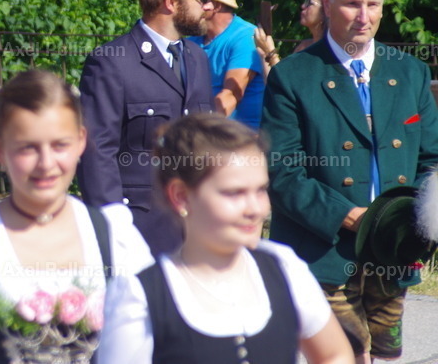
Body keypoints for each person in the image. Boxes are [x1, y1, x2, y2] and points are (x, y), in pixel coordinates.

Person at [261, 0, 438, 362]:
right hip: (323, 249)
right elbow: (281, 171)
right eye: (352, 3)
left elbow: (431, 158)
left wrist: (411, 217)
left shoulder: (409, 72)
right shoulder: (294, 75)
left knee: (388, 355)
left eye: (373, 4)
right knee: (345, 356)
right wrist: (349, 216)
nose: (364, 16)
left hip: (393, 248)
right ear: (327, 3)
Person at [0, 69, 153, 364]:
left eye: (60, 145)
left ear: (81, 141)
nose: (46, 163)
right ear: (0, 149)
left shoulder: (115, 236)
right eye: (28, 148)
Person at [99, 114, 353, 364]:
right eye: (234, 193)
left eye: (260, 190)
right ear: (181, 196)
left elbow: (335, 354)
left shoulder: (283, 267)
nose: (255, 209)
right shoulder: (140, 297)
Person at [77, 0, 219, 256]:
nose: (209, 6)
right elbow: (96, 152)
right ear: (171, 2)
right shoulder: (112, 62)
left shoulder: (196, 58)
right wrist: (113, 230)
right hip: (138, 228)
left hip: (194, 227)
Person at [189, 0, 265, 129]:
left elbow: (231, 95)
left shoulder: (246, 37)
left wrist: (192, 132)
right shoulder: (192, 40)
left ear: (215, 5)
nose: (189, 2)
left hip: (239, 139)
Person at [256, 0, 326, 76]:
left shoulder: (328, 51)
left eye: (309, 3)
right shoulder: (304, 46)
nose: (303, 6)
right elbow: (273, 83)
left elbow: (286, 82)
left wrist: (271, 52)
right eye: (306, 1)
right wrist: (264, 52)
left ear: (326, 10)